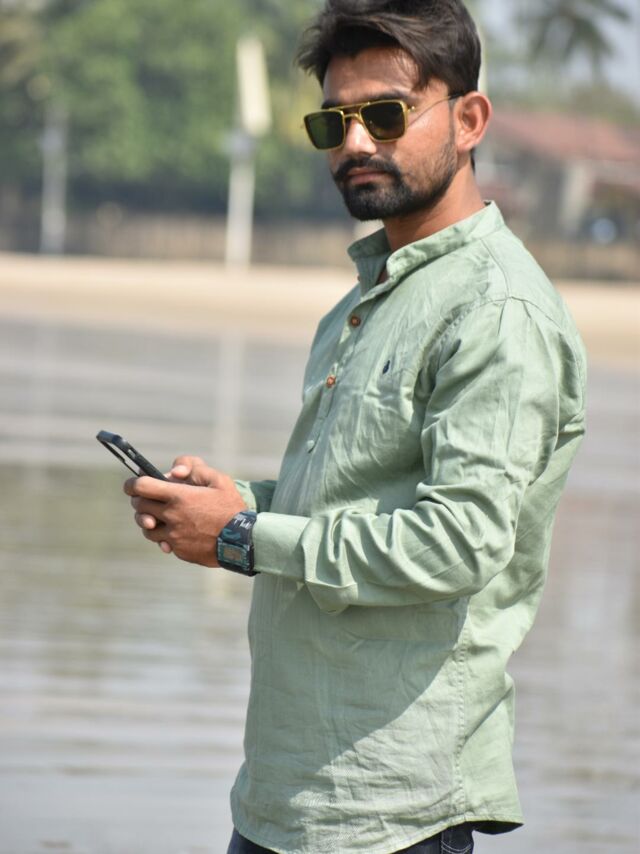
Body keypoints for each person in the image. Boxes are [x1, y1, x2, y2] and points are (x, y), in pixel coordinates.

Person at [124, 1, 587, 851]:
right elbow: (351, 501)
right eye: (333, 122)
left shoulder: (497, 311)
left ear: (470, 120)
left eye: (387, 114)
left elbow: (458, 544)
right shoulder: (368, 298)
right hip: (284, 794)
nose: (356, 142)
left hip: (391, 808)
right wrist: (241, 503)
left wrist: (243, 538)